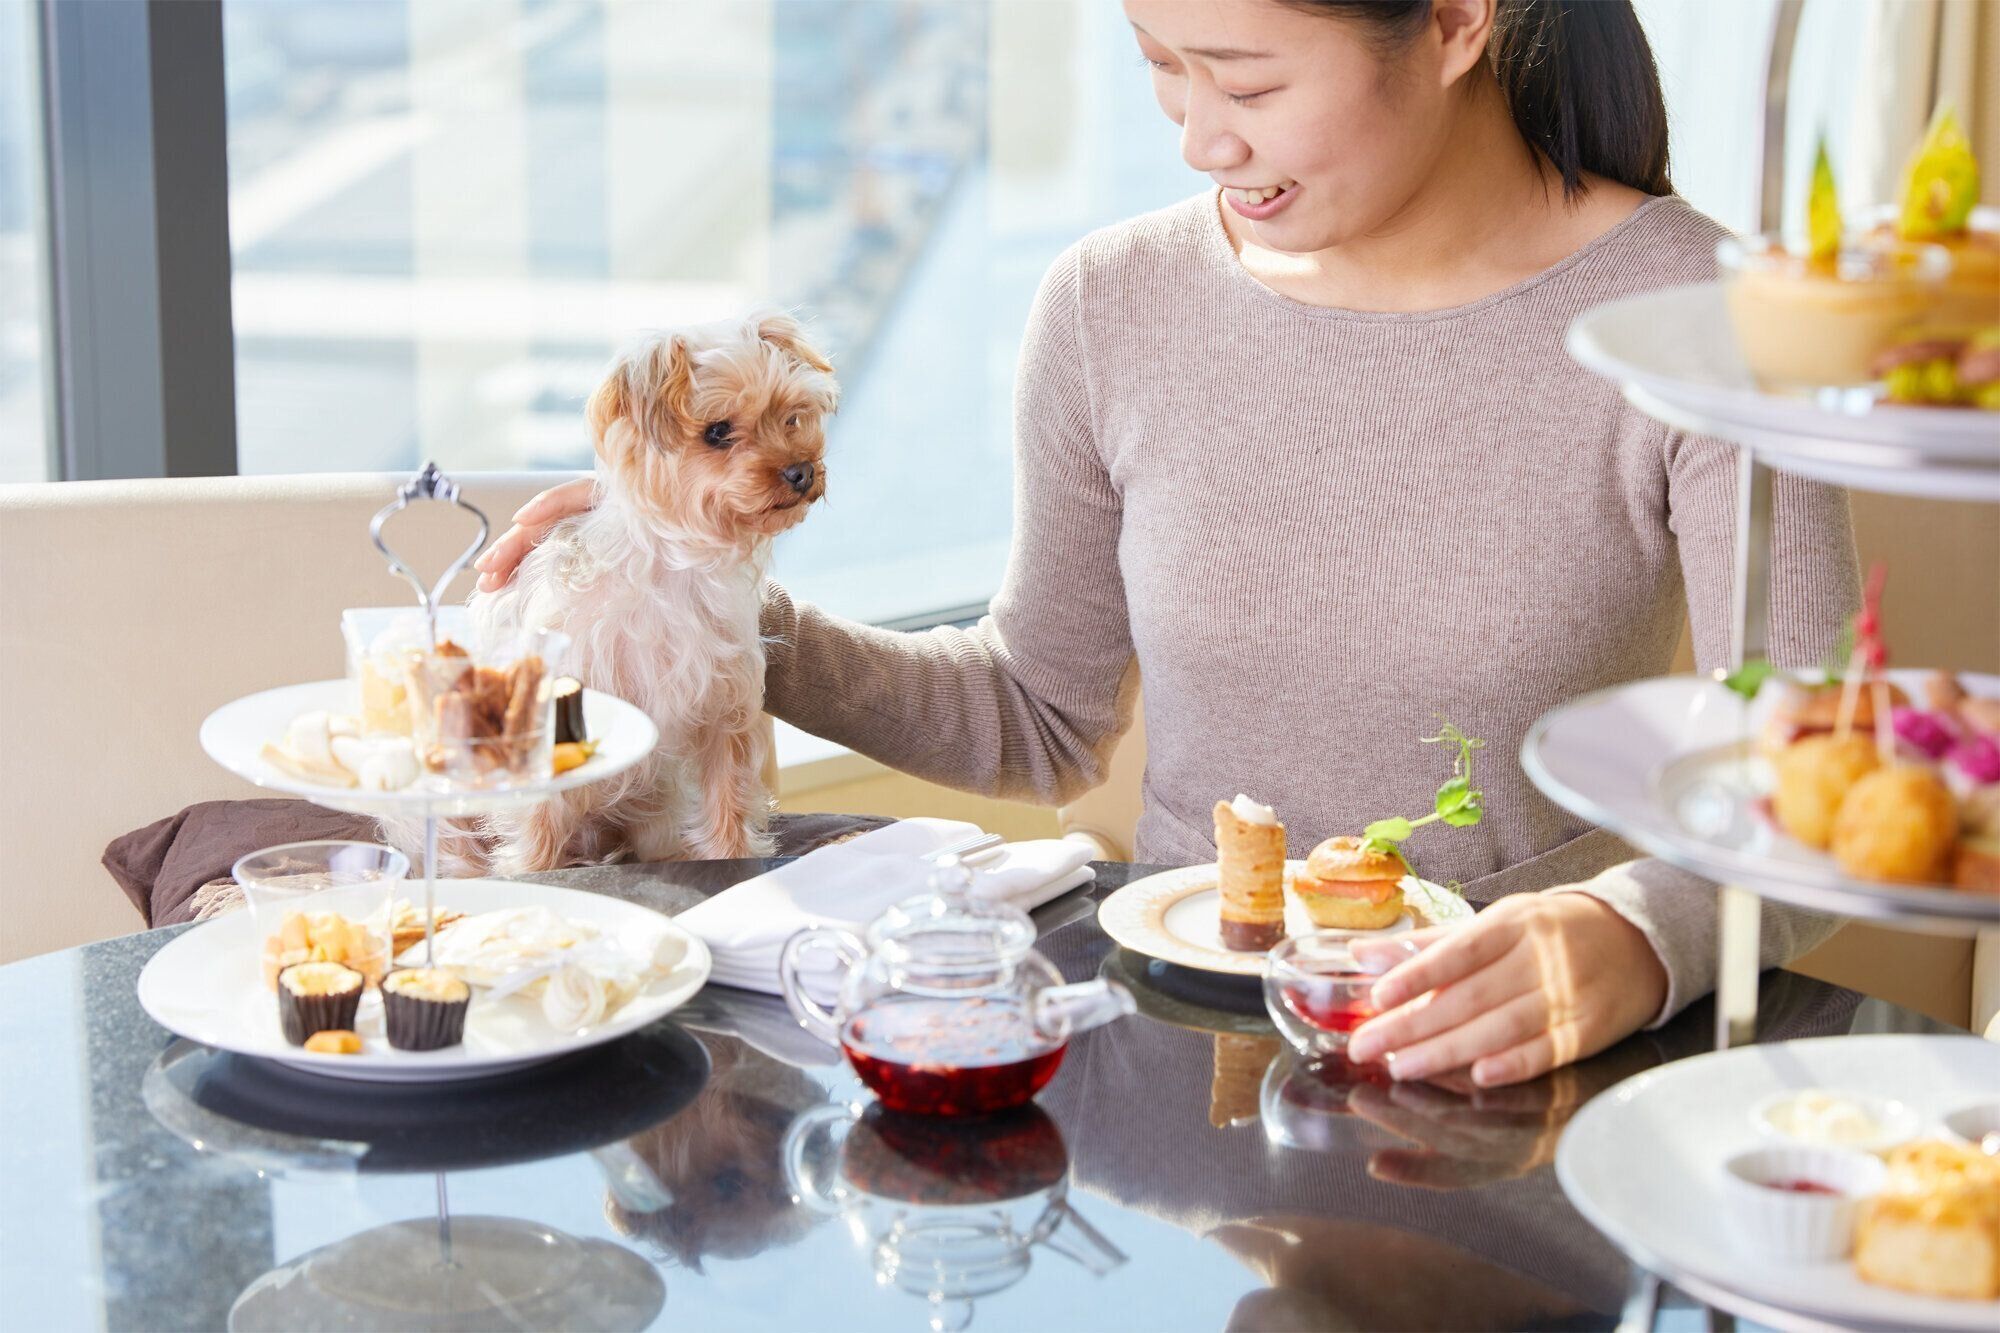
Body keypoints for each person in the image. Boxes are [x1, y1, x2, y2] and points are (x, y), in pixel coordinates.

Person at [478, 0, 1857, 1086]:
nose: (1201, 138)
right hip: (1179, 1061)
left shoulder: (1705, 317)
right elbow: (1036, 719)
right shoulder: (1113, 303)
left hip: (1514, 1073)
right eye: (1161, 67)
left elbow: (1824, 786)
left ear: (1453, 21)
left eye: (1247, 84)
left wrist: (1632, 933)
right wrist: (702, 604)